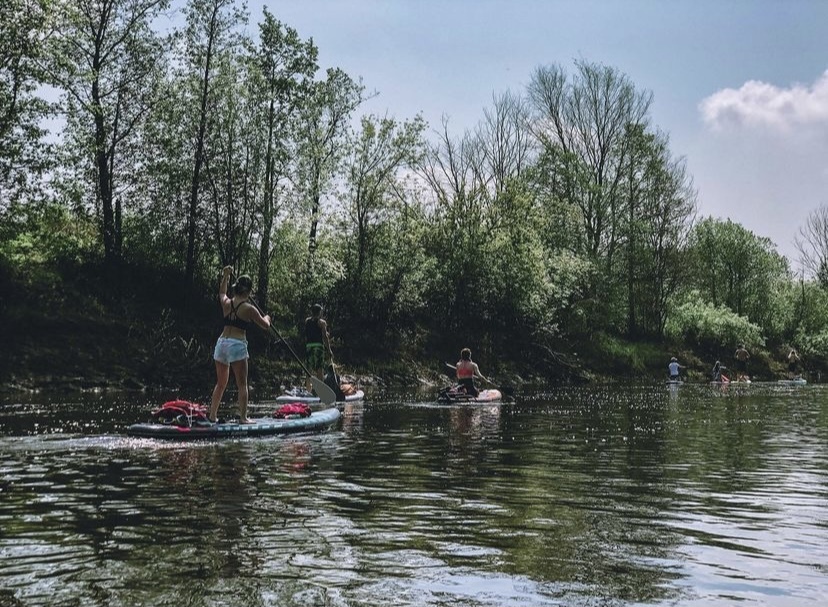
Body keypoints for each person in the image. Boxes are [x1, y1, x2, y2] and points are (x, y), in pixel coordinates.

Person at [208, 267, 271, 424]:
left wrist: (225, 276)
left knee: (221, 383)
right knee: (242, 384)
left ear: (235, 289)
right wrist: (267, 318)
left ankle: (212, 416)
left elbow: (221, 293)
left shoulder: (226, 303)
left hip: (221, 343)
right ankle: (243, 418)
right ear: (249, 291)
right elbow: (265, 326)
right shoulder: (249, 309)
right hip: (237, 344)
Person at [305, 303, 333, 394]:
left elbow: (310, 332)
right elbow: (325, 337)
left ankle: (308, 390)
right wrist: (329, 350)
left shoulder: (307, 321)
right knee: (319, 369)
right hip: (318, 347)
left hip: (309, 346)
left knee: (309, 369)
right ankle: (321, 392)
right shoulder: (322, 322)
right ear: (319, 312)